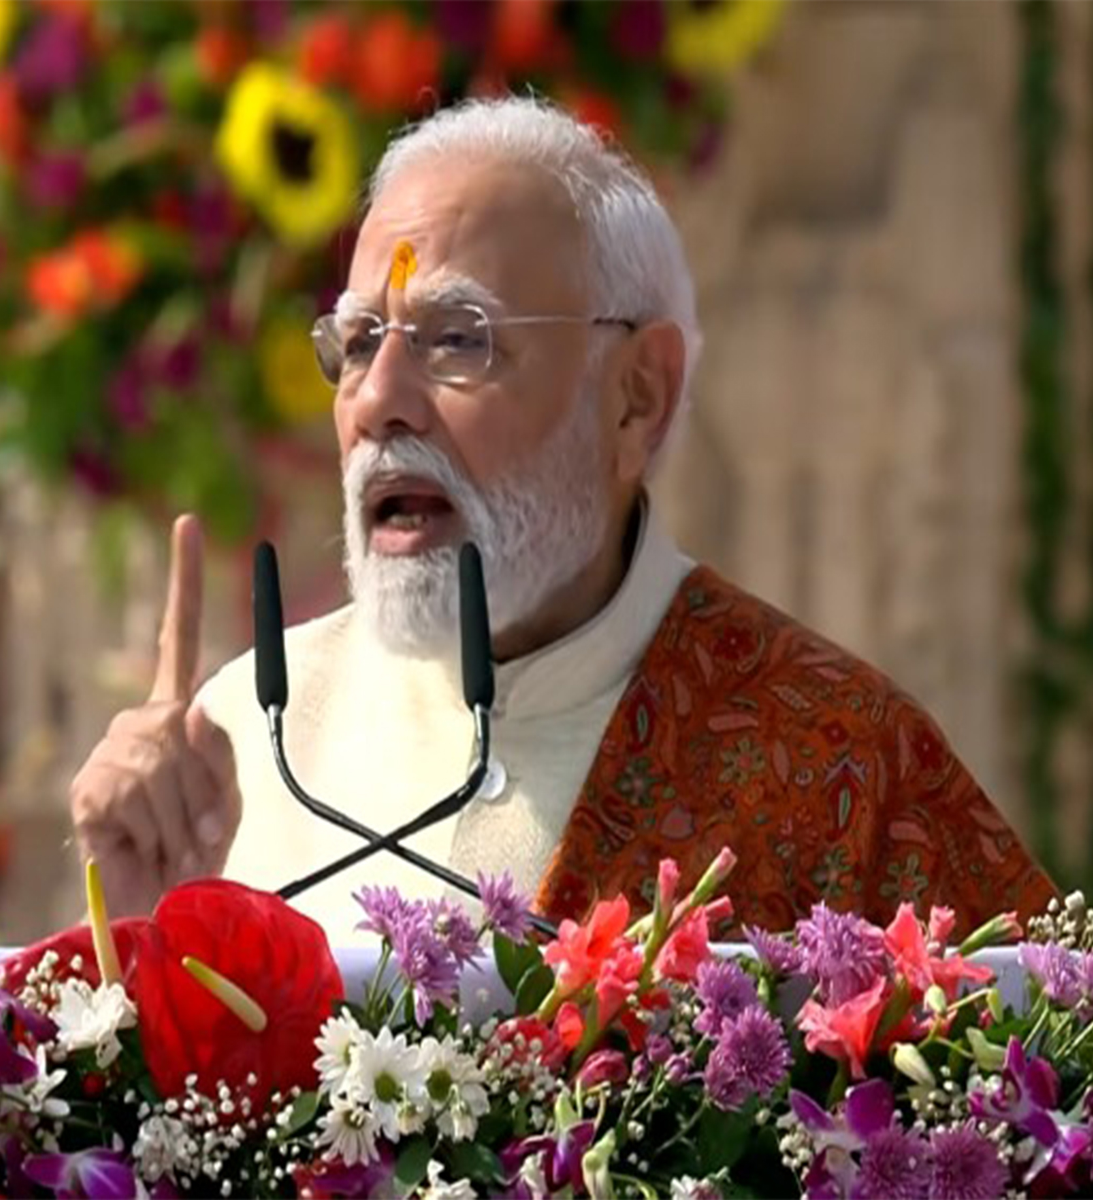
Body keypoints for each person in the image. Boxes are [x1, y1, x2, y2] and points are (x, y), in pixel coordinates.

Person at [68, 96, 1056, 935]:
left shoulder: (838, 770)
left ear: (635, 395)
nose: (377, 402)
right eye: (360, 341)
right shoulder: (239, 746)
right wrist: (130, 949)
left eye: (458, 339)